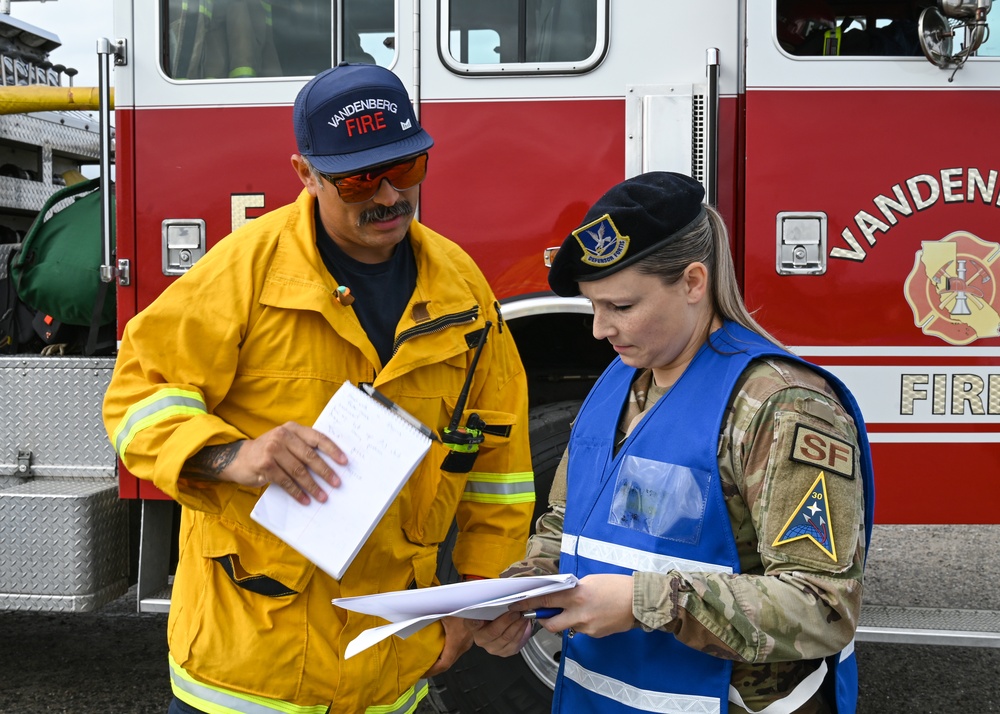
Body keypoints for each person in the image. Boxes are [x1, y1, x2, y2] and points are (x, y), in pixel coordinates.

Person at [102, 63, 534, 714]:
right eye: (360, 178)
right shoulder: (243, 271)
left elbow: (494, 458)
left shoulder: (462, 292)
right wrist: (231, 455)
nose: (389, 196)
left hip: (390, 676)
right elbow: (137, 394)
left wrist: (475, 598)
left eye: (407, 168)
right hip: (248, 676)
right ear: (305, 174)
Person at [468, 172, 875, 714]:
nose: (599, 330)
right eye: (594, 306)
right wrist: (519, 595)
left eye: (621, 306)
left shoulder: (784, 405)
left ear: (692, 282)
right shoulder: (616, 385)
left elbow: (824, 606)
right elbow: (565, 533)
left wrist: (647, 603)